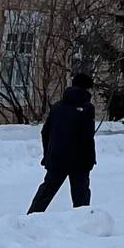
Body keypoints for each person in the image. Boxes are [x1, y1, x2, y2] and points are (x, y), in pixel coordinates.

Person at [28, 72, 97, 213]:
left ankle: (29, 219)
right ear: (87, 89)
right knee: (81, 198)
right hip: (80, 161)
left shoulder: (57, 107)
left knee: (46, 192)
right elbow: (87, 138)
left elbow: (45, 132)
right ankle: (83, 224)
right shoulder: (87, 108)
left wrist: (48, 154)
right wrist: (90, 160)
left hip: (57, 157)